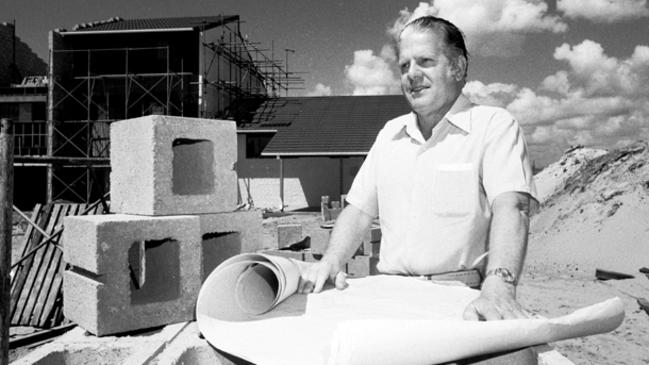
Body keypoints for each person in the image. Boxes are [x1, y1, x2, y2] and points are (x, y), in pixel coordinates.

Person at [299, 15, 539, 365]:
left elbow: (511, 206)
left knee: (516, 362)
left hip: (460, 298)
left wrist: (500, 287)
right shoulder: (389, 135)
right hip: (389, 294)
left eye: (426, 61)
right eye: (404, 65)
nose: (412, 73)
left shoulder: (493, 126)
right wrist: (332, 260)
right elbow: (358, 210)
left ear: (457, 67)